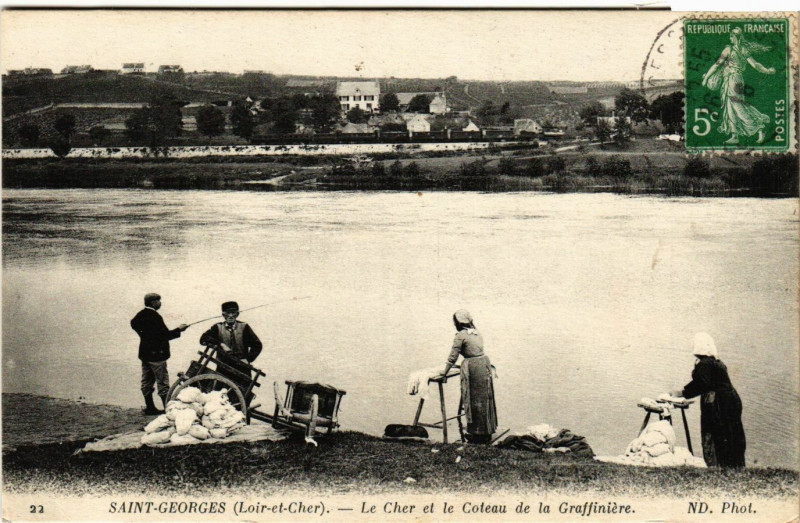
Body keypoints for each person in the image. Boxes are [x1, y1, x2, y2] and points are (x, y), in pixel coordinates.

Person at [670, 332, 746, 468]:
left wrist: (682, 393)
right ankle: (734, 465)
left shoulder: (705, 364)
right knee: (732, 433)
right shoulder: (716, 362)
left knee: (717, 432)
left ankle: (718, 465)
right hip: (731, 400)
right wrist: (684, 391)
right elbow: (701, 382)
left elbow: (701, 384)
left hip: (719, 403)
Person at [702, 27, 776, 145]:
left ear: (736, 37)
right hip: (732, 80)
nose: (730, 38)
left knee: (737, 106)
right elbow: (755, 65)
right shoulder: (743, 49)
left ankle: (759, 127)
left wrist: (706, 78)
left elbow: (717, 65)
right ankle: (734, 135)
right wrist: (766, 71)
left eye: (731, 36)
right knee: (729, 106)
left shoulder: (729, 49)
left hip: (733, 80)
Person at [441, 309, 497, 444]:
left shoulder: (460, 336)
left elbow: (452, 357)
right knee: (485, 400)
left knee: (473, 400)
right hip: (484, 364)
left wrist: (444, 373)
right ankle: (487, 432)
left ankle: (477, 434)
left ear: (458, 323)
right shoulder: (476, 332)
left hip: (473, 368)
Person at [130, 293, 188, 415]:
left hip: (145, 355)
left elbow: (133, 324)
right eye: (159, 301)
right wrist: (179, 329)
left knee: (146, 381)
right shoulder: (155, 317)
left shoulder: (141, 315)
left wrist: (144, 335)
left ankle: (150, 407)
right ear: (153, 303)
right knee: (162, 382)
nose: (160, 303)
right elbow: (165, 335)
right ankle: (168, 410)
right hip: (157, 356)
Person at [199, 301, 263, 378]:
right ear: (223, 315)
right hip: (223, 369)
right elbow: (203, 339)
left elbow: (257, 345)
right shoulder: (218, 327)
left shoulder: (244, 327)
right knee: (221, 390)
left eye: (233, 313)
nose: (231, 316)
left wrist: (248, 359)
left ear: (237, 314)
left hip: (242, 369)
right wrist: (221, 344)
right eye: (227, 313)